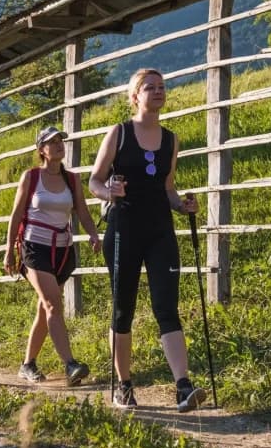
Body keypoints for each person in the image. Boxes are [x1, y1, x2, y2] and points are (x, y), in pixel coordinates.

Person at [88, 68, 206, 412]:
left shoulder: (171, 139)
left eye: (161, 87)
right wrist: (108, 190)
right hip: (123, 229)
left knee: (167, 307)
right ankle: (123, 385)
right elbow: (94, 181)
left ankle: (183, 386)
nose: (157, 91)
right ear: (135, 96)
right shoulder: (120, 133)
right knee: (123, 310)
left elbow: (167, 187)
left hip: (160, 232)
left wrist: (183, 205)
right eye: (149, 87)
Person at [3, 126, 101, 386]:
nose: (59, 145)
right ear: (41, 150)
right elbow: (15, 215)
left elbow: (82, 211)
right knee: (53, 305)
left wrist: (93, 234)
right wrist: (8, 251)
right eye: (52, 142)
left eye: (61, 141)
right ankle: (70, 364)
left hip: (63, 251)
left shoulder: (71, 179)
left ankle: (28, 364)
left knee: (45, 308)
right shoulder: (31, 177)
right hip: (34, 249)